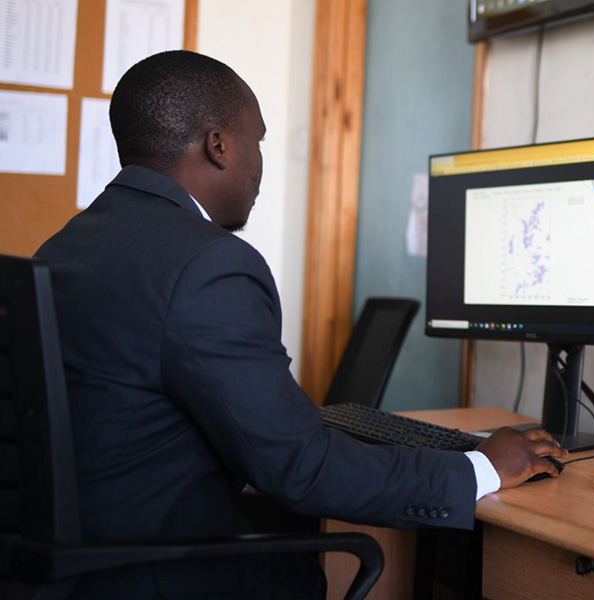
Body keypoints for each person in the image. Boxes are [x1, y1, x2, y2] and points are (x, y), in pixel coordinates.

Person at [35, 50, 567, 599]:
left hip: (70, 563)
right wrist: (480, 468)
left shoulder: (67, 245)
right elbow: (301, 467)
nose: (260, 163)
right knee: (308, 571)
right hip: (153, 574)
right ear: (219, 145)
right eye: (257, 140)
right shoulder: (207, 265)